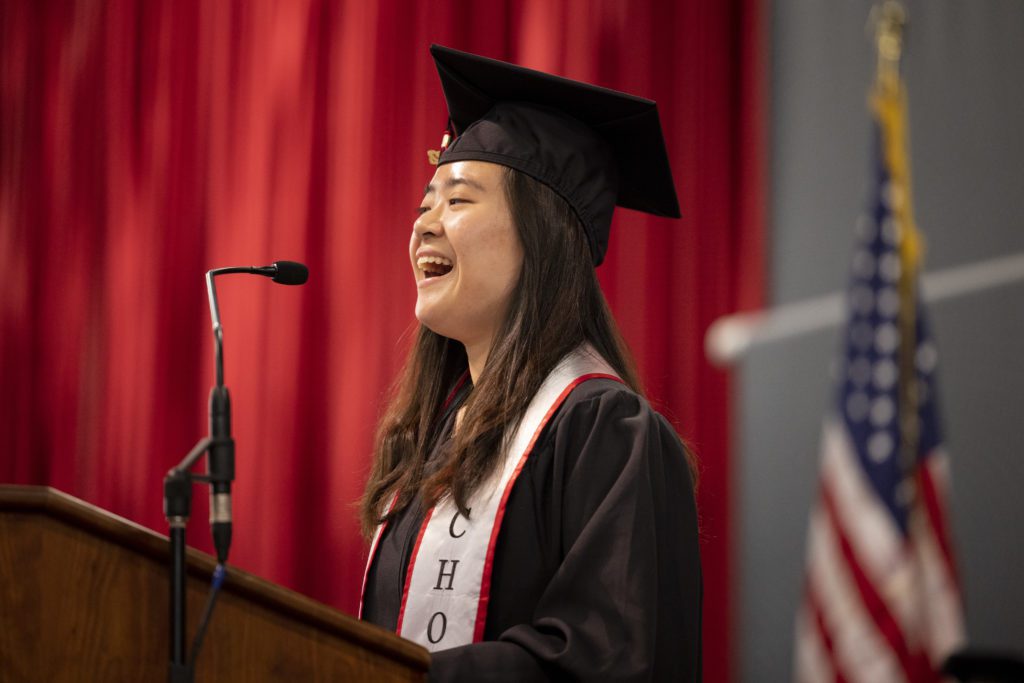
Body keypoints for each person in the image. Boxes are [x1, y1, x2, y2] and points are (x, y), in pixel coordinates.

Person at [359, 45, 702, 682]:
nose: (424, 227)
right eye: (422, 206)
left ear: (540, 234)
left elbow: (606, 661)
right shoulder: (430, 445)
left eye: (457, 202)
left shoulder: (605, 432)